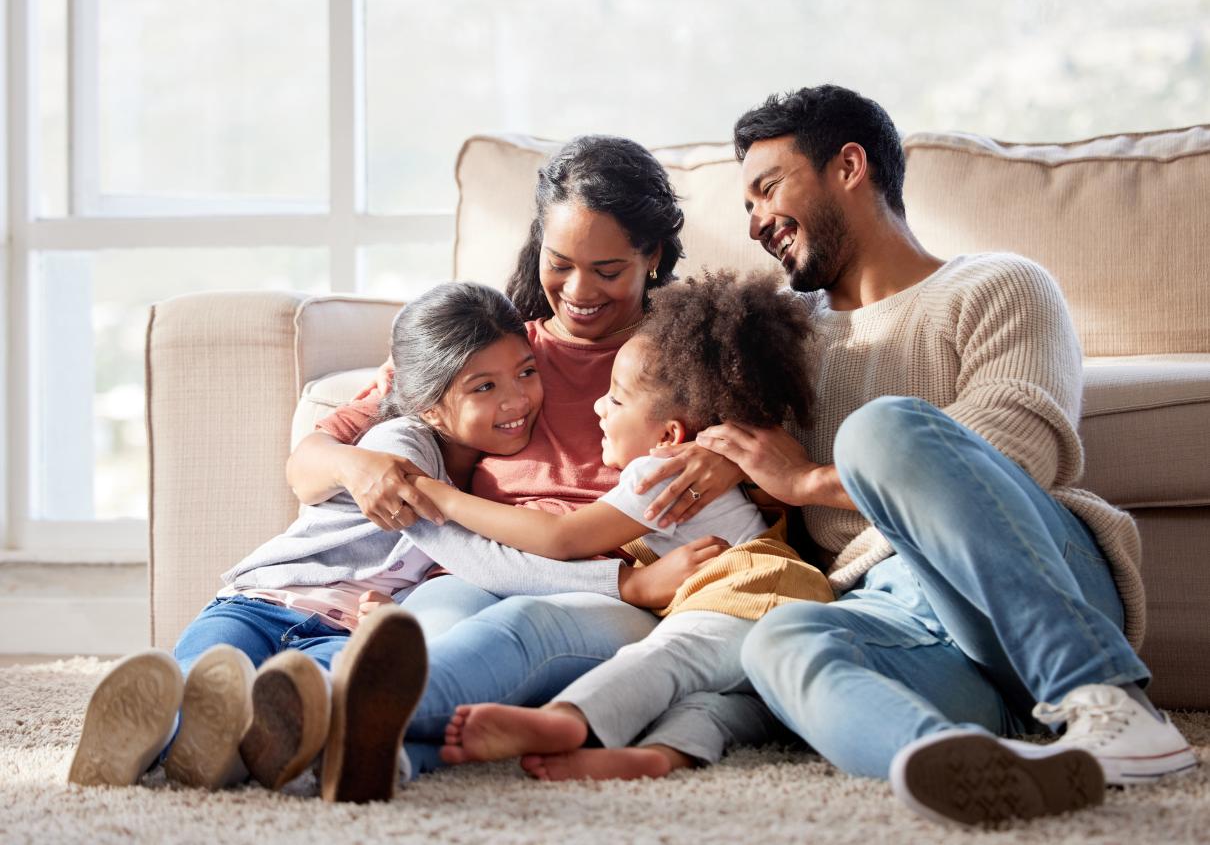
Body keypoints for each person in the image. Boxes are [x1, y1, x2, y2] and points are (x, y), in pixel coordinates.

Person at [637, 84, 1196, 825]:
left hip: (1030, 581)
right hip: (895, 615)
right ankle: (962, 764)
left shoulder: (999, 284)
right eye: (744, 207)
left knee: (882, 430)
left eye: (767, 188)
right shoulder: (778, 333)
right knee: (779, 641)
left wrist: (808, 479)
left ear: (849, 166)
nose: (756, 223)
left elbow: (1011, 450)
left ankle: (1111, 701)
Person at [283, 135, 780, 793]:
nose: (578, 291)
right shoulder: (495, 347)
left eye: (607, 269)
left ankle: (311, 715)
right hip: (481, 561)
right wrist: (357, 468)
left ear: (651, 256)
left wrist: (729, 461)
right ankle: (385, 755)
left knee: (520, 630)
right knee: (428, 630)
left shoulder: (684, 358)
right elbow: (317, 456)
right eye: (560, 262)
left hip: (606, 585)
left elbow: (776, 467)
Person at [67, 283, 694, 801]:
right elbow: (481, 559)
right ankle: (146, 736)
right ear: (427, 404)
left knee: (286, 712)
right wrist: (622, 583)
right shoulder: (401, 453)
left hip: (343, 633)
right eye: (483, 387)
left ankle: (208, 757)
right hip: (259, 602)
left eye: (525, 373)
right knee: (199, 679)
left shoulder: (480, 465)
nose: (517, 400)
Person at [415, 273, 831, 781]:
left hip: (755, 591)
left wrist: (446, 499)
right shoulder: (691, 462)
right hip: (769, 607)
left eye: (614, 399)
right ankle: (657, 757)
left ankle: (567, 720)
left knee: (668, 657)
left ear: (669, 433)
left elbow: (559, 538)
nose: (597, 407)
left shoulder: (658, 472)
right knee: (717, 701)